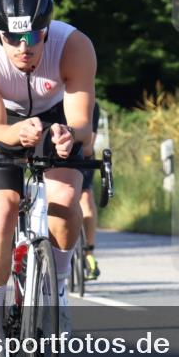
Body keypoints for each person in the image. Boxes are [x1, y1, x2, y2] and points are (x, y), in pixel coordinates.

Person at [0, 0, 96, 357]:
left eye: (34, 36)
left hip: (58, 114)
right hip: (3, 120)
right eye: (13, 38)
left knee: (65, 199)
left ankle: (58, 288)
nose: (24, 47)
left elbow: (83, 125)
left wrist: (69, 135)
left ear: (46, 29)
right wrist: (16, 133)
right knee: (2, 209)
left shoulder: (74, 45)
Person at [78, 102, 102, 280]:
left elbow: (89, 143)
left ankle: (89, 253)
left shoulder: (90, 104)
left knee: (85, 197)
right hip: (49, 155)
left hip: (80, 155)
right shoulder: (49, 99)